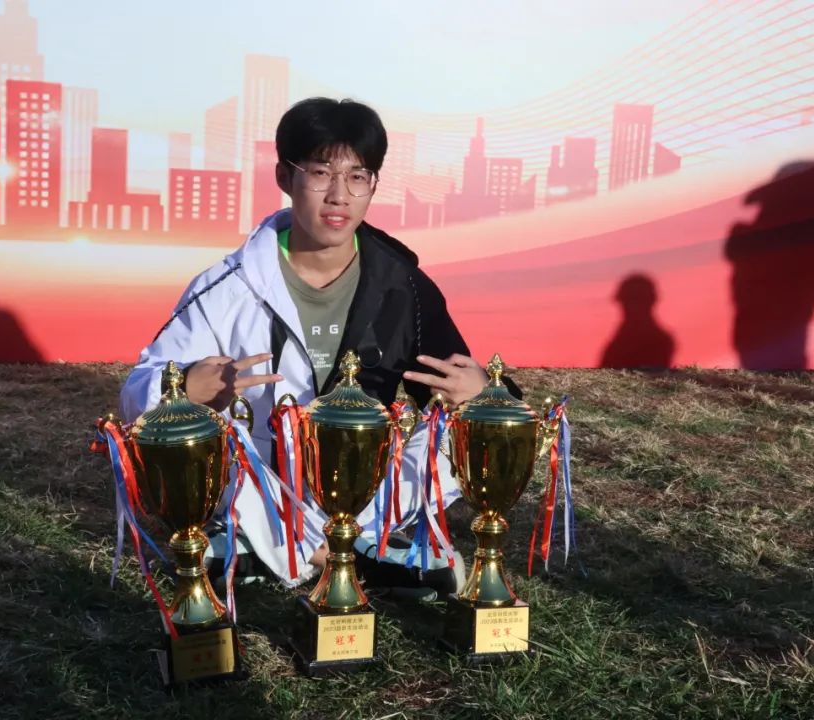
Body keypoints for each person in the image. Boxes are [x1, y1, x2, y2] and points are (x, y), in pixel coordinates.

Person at [120, 97, 519, 596]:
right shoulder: (227, 285)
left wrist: (484, 394)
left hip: (364, 486)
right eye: (320, 173)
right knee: (202, 439)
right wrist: (183, 388)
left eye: (357, 176)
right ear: (285, 178)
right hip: (263, 485)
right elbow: (135, 396)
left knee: (468, 432)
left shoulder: (404, 287)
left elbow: (482, 401)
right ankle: (360, 555)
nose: (339, 196)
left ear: (373, 185)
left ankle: (278, 552)